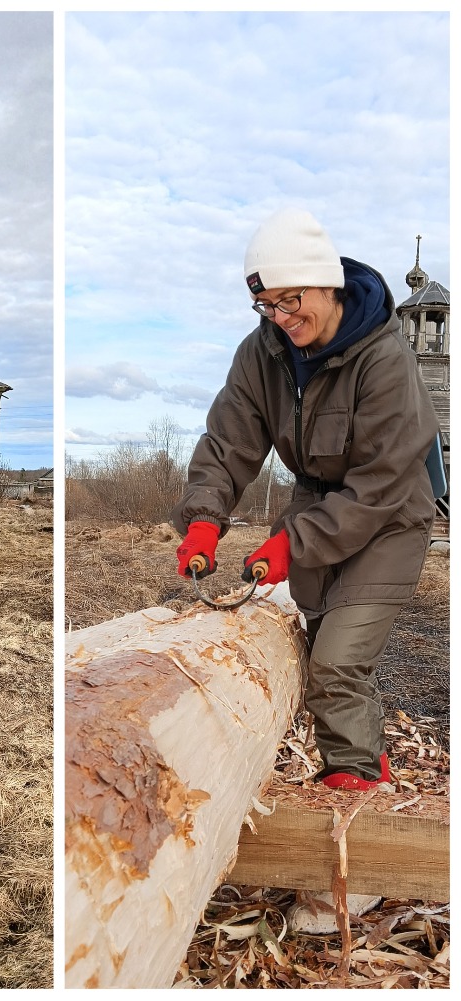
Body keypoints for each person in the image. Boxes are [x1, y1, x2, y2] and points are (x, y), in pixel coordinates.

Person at [172, 209, 440, 928]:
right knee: (317, 640)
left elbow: (382, 481)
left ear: (325, 286)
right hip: (320, 503)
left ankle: (358, 853)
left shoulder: (385, 356)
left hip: (389, 513)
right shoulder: (261, 352)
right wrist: (204, 516)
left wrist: (292, 544)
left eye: (292, 300)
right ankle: (360, 768)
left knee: (339, 662)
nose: (281, 317)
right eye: (266, 304)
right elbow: (230, 439)